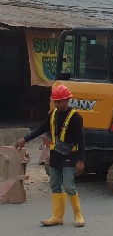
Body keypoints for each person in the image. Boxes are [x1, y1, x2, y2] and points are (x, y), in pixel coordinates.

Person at [15, 84, 85, 227]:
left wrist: (80, 160)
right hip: (55, 155)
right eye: (55, 101)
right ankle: (57, 217)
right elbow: (41, 129)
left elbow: (81, 140)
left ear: (67, 100)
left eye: (60, 101)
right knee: (54, 185)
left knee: (69, 185)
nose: (58, 104)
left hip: (70, 156)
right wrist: (25, 139)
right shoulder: (52, 115)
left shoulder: (76, 117)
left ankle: (78, 216)